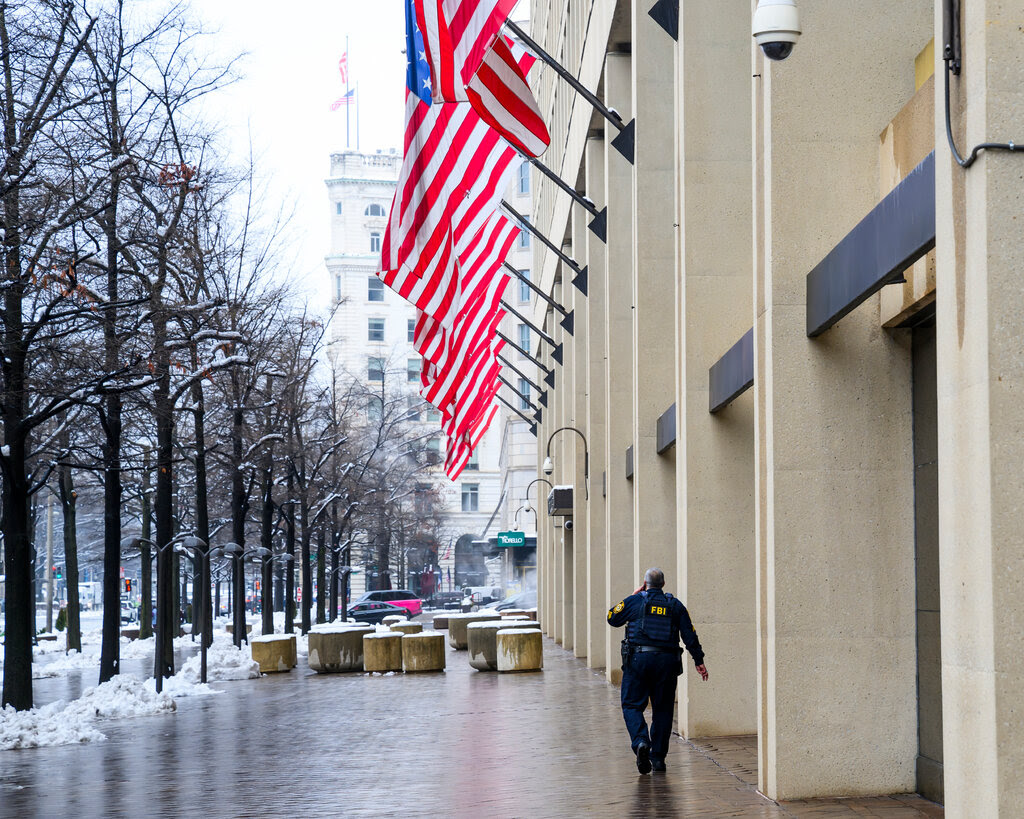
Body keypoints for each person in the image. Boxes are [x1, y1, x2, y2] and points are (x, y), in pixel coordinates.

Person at [607, 567, 708, 774]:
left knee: (632, 705)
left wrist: (632, 596)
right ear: (663, 584)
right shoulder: (675, 605)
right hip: (666, 663)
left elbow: (612, 617)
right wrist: (699, 660)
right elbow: (689, 634)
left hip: (638, 661)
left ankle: (641, 741)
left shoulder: (635, 601)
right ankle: (658, 759)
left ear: (645, 584)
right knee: (663, 710)